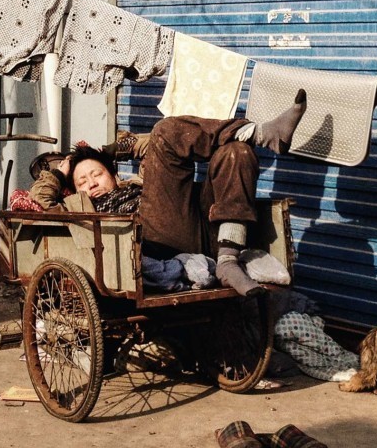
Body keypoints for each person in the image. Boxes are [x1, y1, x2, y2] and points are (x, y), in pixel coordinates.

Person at [30, 90, 307, 297]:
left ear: (114, 176)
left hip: (204, 231)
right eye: (82, 181)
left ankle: (227, 260)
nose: (91, 183)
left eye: (97, 174)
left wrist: (111, 150)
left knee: (236, 152)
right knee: (165, 131)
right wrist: (58, 174)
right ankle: (261, 134)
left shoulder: (139, 184)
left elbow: (154, 145)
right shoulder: (78, 208)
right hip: (153, 240)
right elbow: (40, 200)